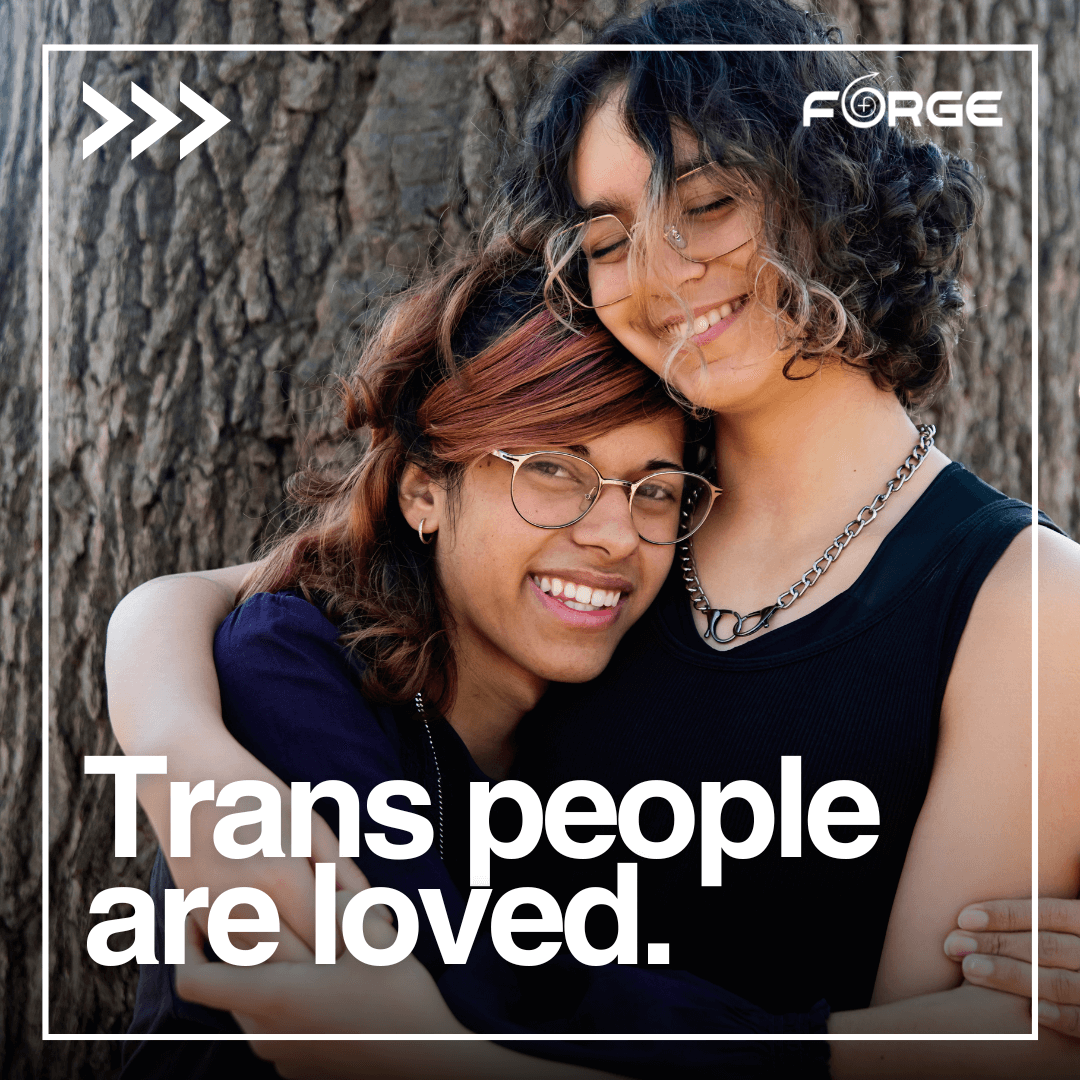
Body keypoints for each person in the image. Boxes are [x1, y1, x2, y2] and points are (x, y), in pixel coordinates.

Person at [106, 0, 1080, 1074]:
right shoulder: (622, 535)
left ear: (828, 192)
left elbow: (972, 1052)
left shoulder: (1022, 604)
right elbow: (267, 594)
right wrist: (172, 735)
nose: (658, 273)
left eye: (706, 204)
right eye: (611, 240)